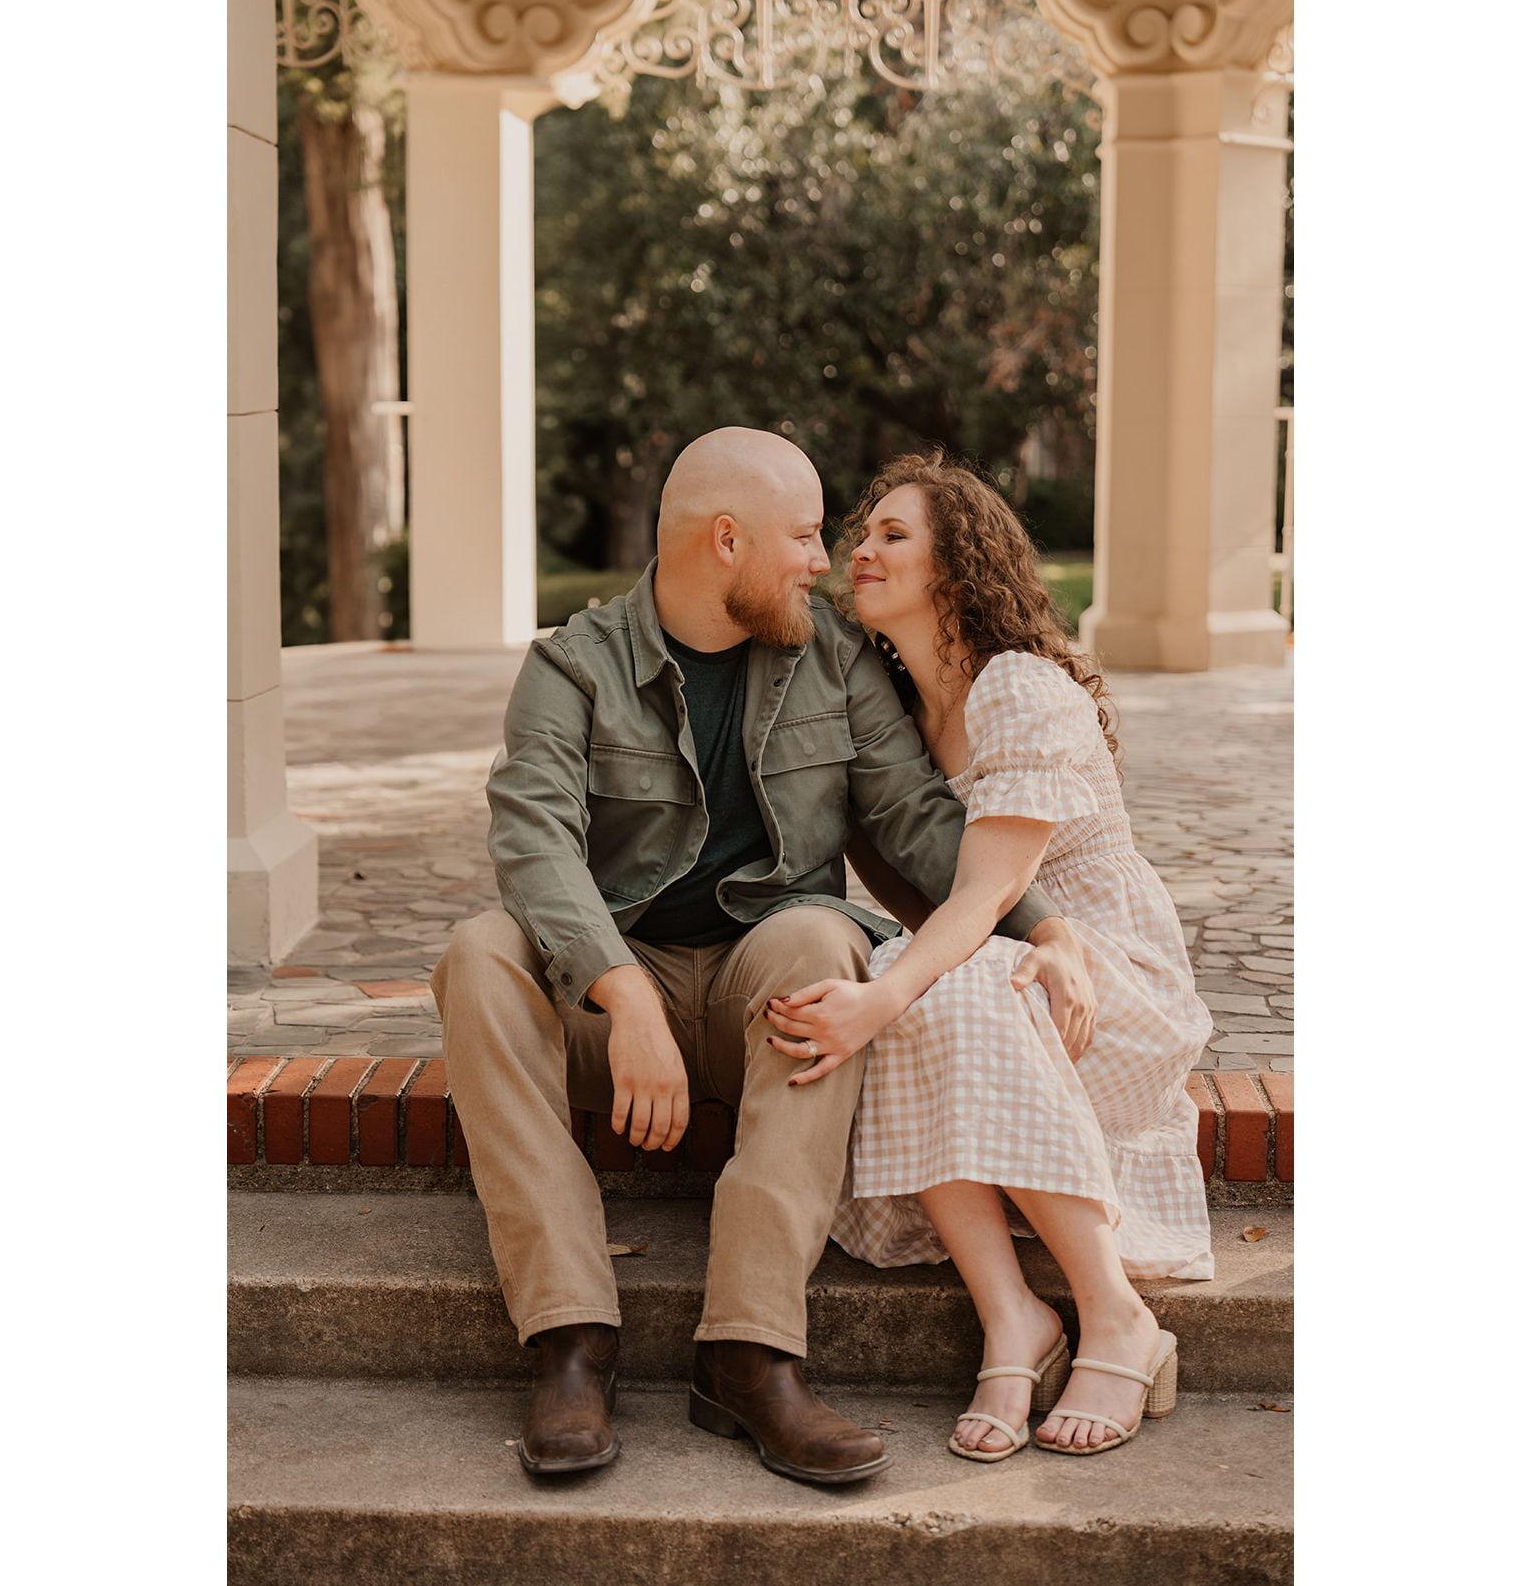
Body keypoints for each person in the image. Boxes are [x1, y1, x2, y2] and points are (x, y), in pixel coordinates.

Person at [430, 427, 1095, 1484]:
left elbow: (919, 821)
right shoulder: (572, 665)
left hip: (766, 996)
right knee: (477, 952)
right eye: (803, 536)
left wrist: (1044, 926)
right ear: (727, 541)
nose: (824, 561)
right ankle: (569, 1340)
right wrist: (625, 998)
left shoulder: (831, 657)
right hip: (613, 1007)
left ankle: (750, 1354)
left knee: (818, 932)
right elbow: (532, 840)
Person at [761, 450, 1214, 1461]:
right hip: (997, 959)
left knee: (921, 989)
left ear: (957, 566)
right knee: (927, 985)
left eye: (894, 534)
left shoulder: (1017, 686)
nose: (860, 550)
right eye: (862, 532)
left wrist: (885, 997)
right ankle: (1014, 1318)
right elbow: (920, 889)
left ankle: (1116, 1315)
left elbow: (985, 892)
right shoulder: (892, 708)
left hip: (1101, 966)